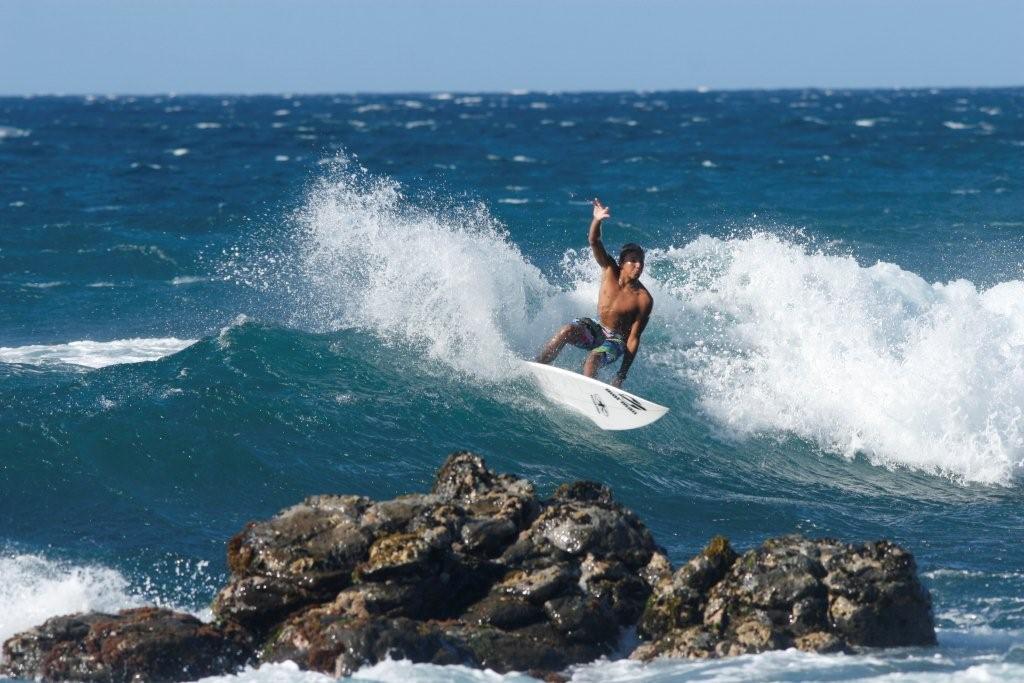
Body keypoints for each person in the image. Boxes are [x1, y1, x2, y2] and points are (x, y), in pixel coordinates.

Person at [535, 198, 653, 388]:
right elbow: (594, 240)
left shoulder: (644, 299)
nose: (639, 266)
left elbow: (633, 338)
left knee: (593, 358)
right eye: (633, 261)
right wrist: (597, 220)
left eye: (641, 262)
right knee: (566, 330)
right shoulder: (608, 269)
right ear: (622, 263)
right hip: (597, 328)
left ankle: (590, 392)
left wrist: (621, 375)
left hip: (617, 340)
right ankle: (537, 366)